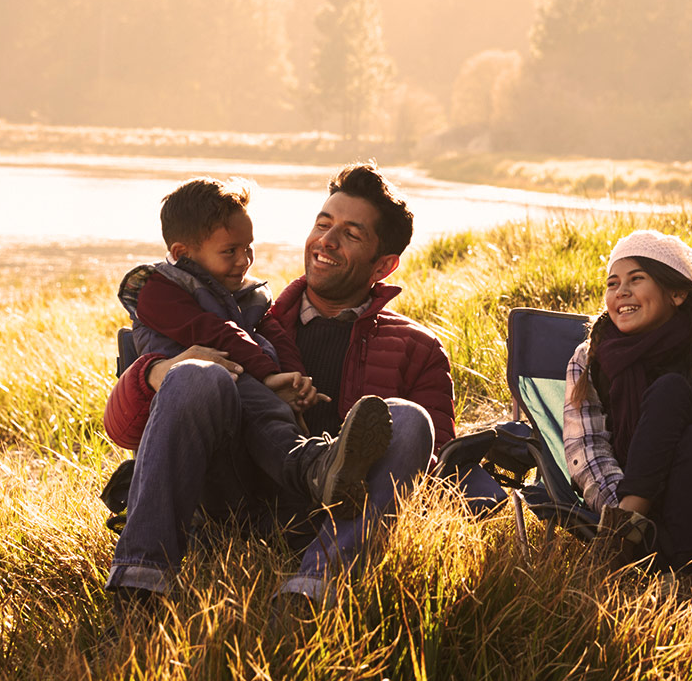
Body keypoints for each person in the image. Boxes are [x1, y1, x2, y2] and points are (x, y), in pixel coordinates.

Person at [104, 162, 455, 616]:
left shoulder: (419, 348)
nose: (326, 241)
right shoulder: (252, 317)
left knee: (410, 420)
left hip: (336, 516)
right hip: (234, 496)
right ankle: (139, 593)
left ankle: (310, 594)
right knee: (197, 374)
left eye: (351, 234)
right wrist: (158, 371)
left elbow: (434, 473)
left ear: (384, 264)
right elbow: (122, 430)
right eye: (323, 224)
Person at [563, 230, 692, 585]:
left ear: (677, 293)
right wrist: (622, 512)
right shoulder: (589, 357)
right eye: (612, 283)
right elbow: (587, 448)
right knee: (684, 414)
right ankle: (673, 570)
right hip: (618, 499)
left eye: (636, 279)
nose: (620, 292)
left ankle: (622, 550)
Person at [117, 176, 319, 411]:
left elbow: (279, 339)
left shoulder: (247, 293)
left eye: (248, 247)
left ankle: (312, 446)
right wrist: (267, 376)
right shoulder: (157, 291)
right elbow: (213, 331)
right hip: (185, 402)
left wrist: (297, 382)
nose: (244, 260)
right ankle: (306, 450)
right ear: (183, 253)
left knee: (269, 407)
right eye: (230, 251)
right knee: (263, 405)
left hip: (240, 381)